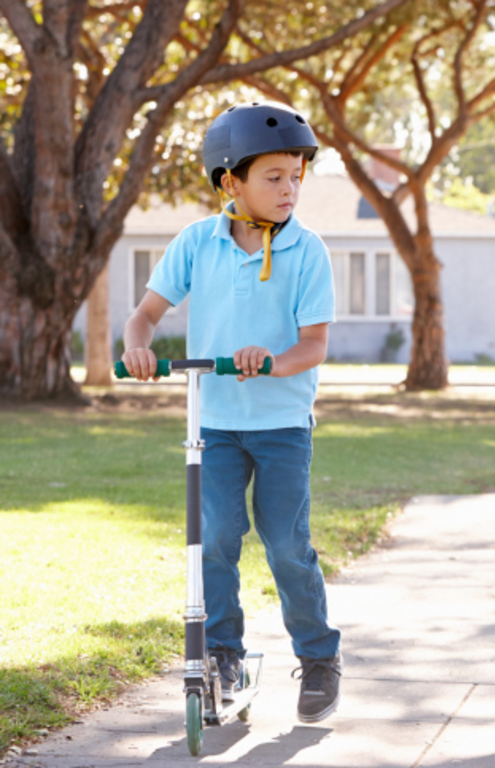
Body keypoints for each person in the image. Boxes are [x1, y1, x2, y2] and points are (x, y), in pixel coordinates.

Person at [120, 101, 342, 723]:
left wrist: (268, 360)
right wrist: (138, 345)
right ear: (230, 182)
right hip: (212, 423)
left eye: (296, 175)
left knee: (285, 545)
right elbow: (145, 315)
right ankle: (221, 654)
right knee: (213, 541)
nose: (289, 188)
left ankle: (320, 657)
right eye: (273, 177)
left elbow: (313, 346)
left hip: (280, 428)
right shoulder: (198, 242)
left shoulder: (307, 251)